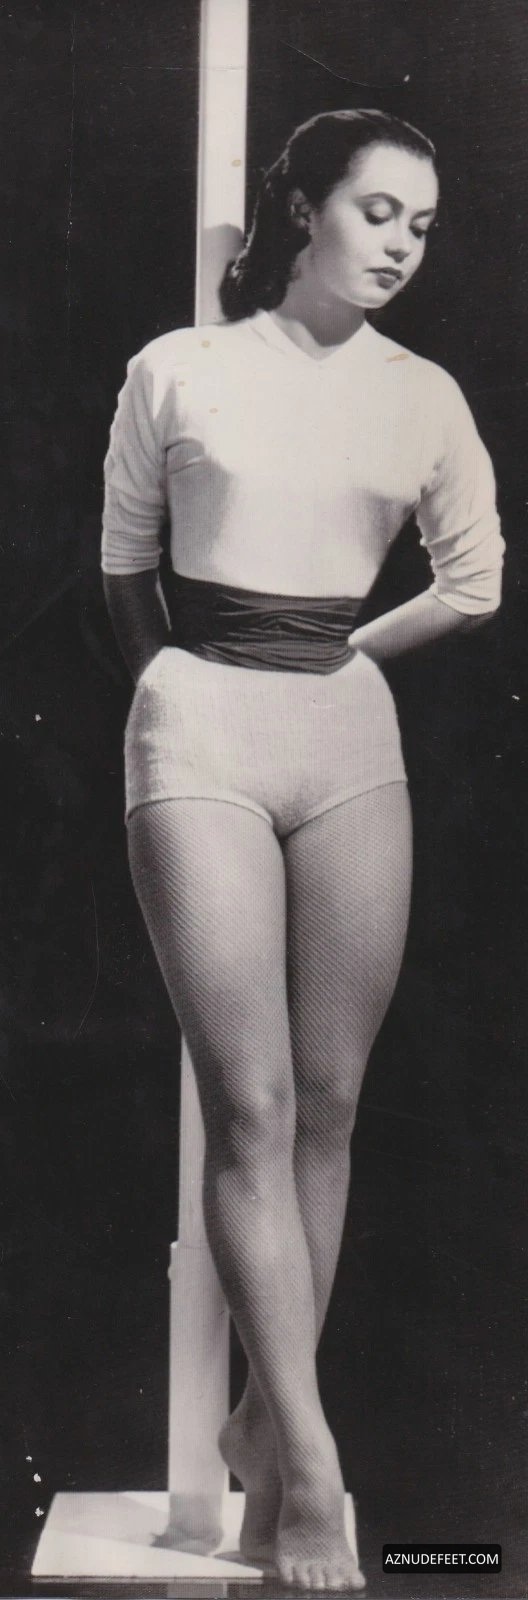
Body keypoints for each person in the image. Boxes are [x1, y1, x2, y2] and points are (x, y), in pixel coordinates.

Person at [101, 109, 504, 1592]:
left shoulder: (422, 395)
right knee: (255, 1104)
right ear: (304, 209)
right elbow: (122, 566)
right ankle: (314, 1475)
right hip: (198, 731)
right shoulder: (180, 367)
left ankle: (267, 1432)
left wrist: (337, 661)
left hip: (345, 742)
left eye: (423, 226)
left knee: (329, 1104)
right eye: (378, 211)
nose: (401, 246)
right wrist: (190, 686)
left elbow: (475, 582)